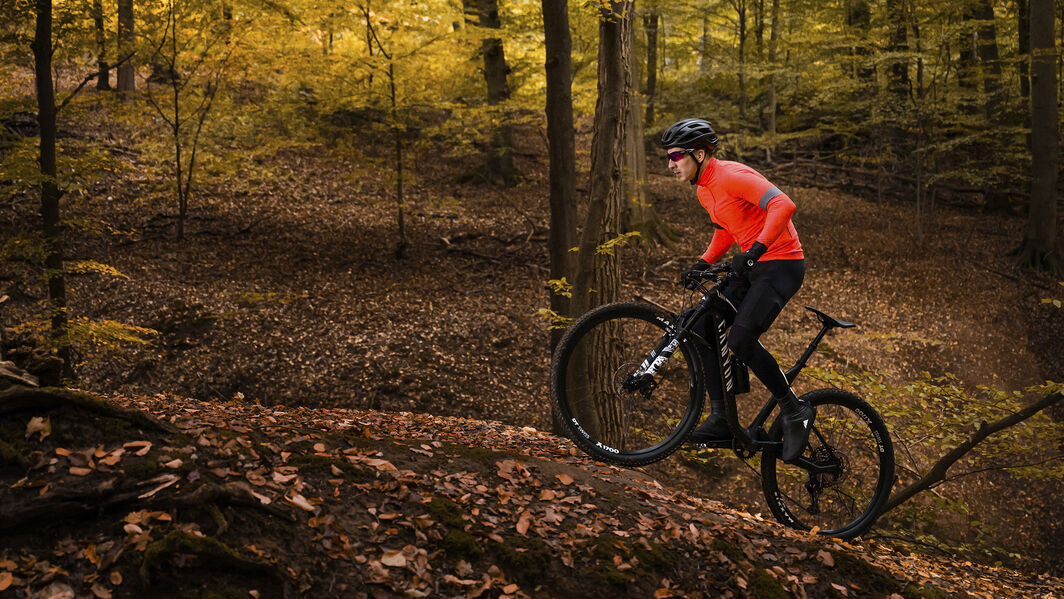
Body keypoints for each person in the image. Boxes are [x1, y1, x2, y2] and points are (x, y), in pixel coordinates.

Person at [661, 117, 813, 462]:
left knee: (741, 340)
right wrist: (703, 262)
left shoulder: (731, 176)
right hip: (751, 265)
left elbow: (783, 205)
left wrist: (756, 250)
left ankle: (794, 409)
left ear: (699, 154)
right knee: (700, 329)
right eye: (668, 157)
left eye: (675, 156)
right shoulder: (704, 190)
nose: (670, 164)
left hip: (781, 264)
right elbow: (726, 231)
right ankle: (720, 418)